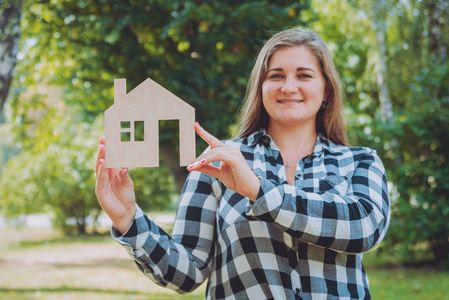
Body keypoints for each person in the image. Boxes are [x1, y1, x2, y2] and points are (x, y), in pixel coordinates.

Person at [95, 28, 390, 299]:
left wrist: (261, 192)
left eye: (303, 75)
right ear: (260, 88)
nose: (288, 87)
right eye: (275, 75)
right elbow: (187, 273)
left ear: (326, 90)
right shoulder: (219, 162)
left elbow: (363, 229)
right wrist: (128, 219)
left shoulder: (360, 161)